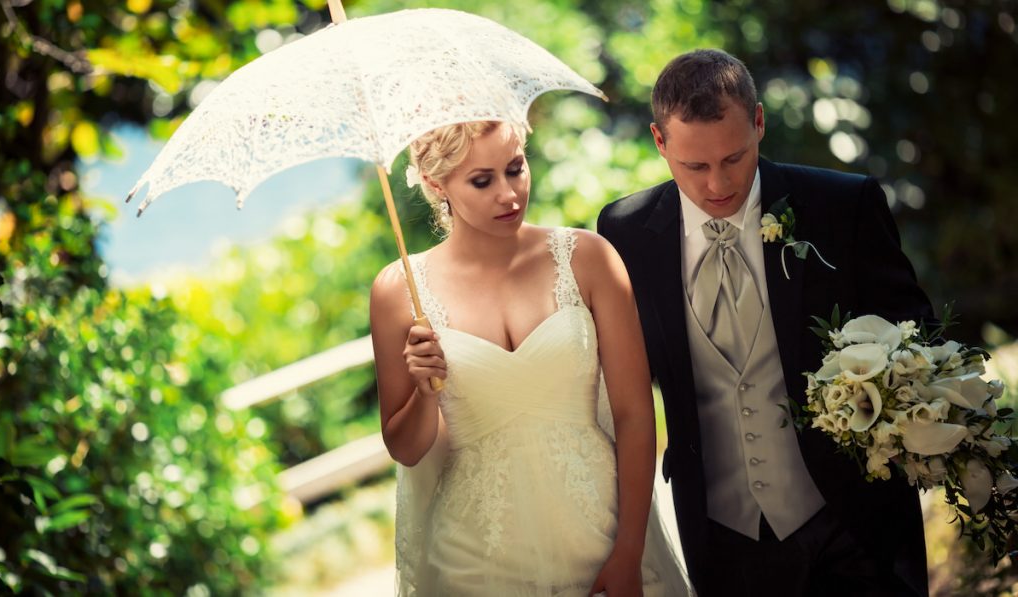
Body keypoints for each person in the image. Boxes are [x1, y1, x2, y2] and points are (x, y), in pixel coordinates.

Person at [598, 49, 934, 596]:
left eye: (734, 158)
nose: (717, 185)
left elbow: (915, 334)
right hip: (723, 536)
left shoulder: (841, 205)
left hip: (853, 520)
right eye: (695, 166)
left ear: (758, 122)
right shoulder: (625, 229)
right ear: (660, 142)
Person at [370, 120, 691, 596]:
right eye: (483, 181)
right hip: (473, 562)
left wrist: (628, 552)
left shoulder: (590, 258)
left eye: (516, 169)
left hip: (602, 537)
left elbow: (635, 414)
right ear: (437, 184)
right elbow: (406, 448)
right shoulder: (398, 292)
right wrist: (424, 389)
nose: (510, 194)